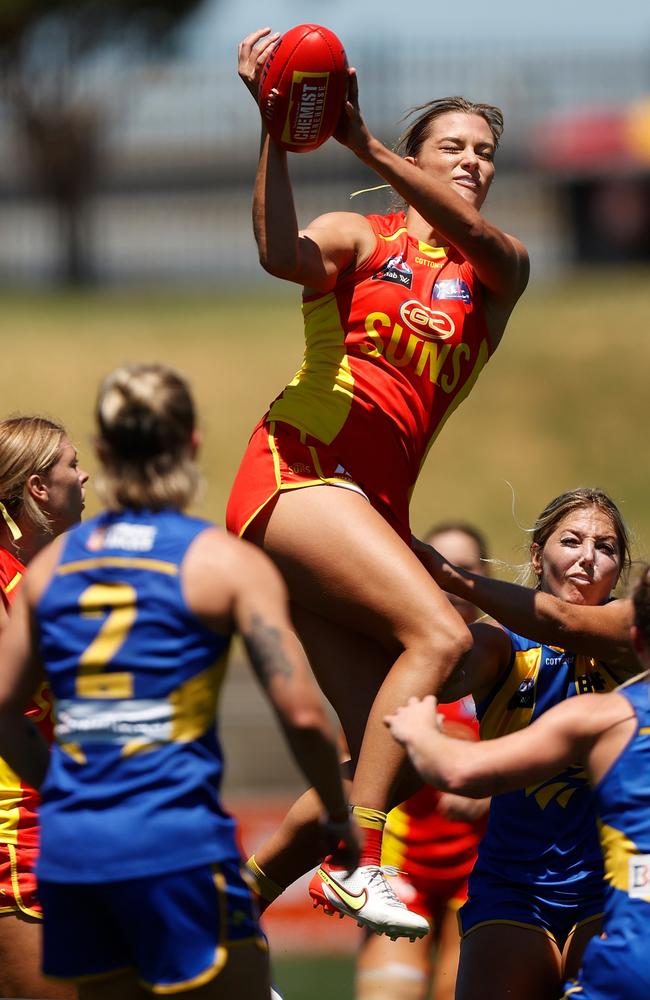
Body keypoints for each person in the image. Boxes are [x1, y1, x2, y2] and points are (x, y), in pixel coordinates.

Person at [227, 26, 529, 939]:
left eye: (485, 152)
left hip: (365, 513)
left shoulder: (498, 266)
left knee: (386, 747)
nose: (473, 162)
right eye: (455, 147)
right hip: (299, 472)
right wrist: (277, 134)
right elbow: (282, 254)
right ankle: (358, 864)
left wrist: (361, 143)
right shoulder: (363, 232)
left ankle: (227, 907)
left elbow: (472, 231)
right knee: (438, 634)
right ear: (417, 151)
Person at [0, 364, 359, 1000]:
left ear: (107, 455)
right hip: (177, 848)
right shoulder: (222, 561)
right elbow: (304, 718)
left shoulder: (55, 569)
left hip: (74, 857)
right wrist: (339, 815)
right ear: (192, 444)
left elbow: (5, 713)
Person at [389, 487, 639, 1000]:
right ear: (536, 553)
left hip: (613, 890)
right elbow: (433, 668)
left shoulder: (634, 639)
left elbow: (564, 622)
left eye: (607, 547)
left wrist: (451, 574)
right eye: (571, 540)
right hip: (514, 890)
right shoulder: (498, 644)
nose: (588, 558)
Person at [356, 522, 491, 1000]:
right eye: (436, 569)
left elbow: (553, 759)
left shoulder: (515, 659)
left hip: (483, 870)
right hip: (401, 866)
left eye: (464, 570)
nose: (448, 583)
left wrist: (490, 789)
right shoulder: (396, 662)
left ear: (482, 578)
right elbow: (347, 760)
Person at [0, 415, 88, 1000]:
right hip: (21, 837)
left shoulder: (57, 576)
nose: (86, 477)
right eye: (73, 465)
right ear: (38, 487)